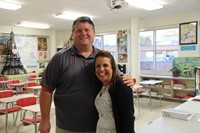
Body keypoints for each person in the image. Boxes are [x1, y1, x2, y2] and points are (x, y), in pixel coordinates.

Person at [39, 16, 134, 133]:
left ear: (94, 33)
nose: (83, 33)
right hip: (66, 127)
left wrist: (127, 79)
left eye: (87, 30)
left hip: (98, 127)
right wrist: (45, 120)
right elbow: (46, 90)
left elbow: (116, 79)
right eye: (78, 30)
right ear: (73, 35)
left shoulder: (103, 57)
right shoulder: (59, 58)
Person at [94, 50, 135, 133]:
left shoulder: (121, 86)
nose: (101, 69)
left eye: (105, 65)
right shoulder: (100, 85)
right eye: (98, 66)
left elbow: (128, 118)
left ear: (112, 67)